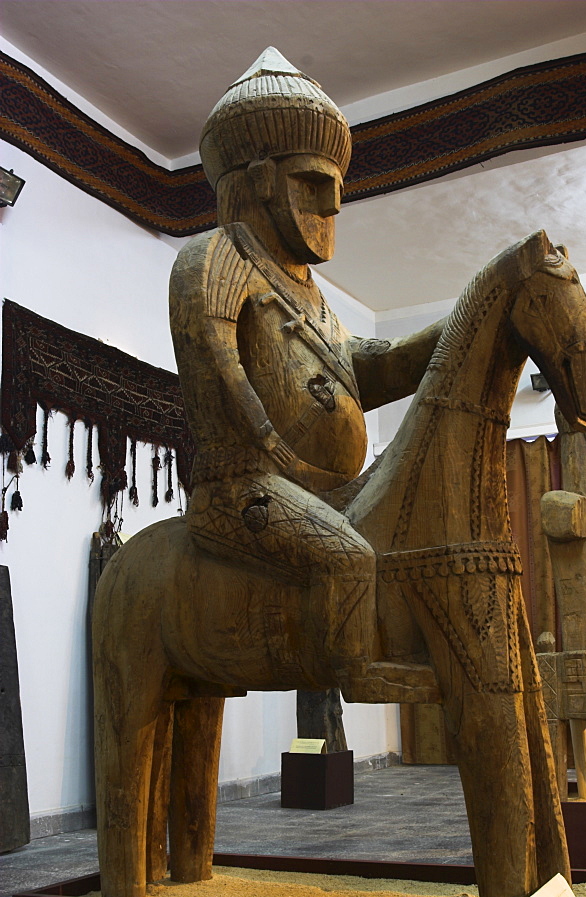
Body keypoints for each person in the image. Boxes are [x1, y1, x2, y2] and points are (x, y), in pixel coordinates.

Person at [170, 48, 442, 692]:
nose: (334, 204)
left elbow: (357, 371)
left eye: (335, 187)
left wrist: (457, 333)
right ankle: (353, 671)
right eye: (313, 183)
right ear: (262, 177)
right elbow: (219, 369)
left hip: (315, 489)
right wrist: (279, 451)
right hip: (242, 486)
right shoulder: (216, 258)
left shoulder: (311, 292)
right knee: (351, 556)